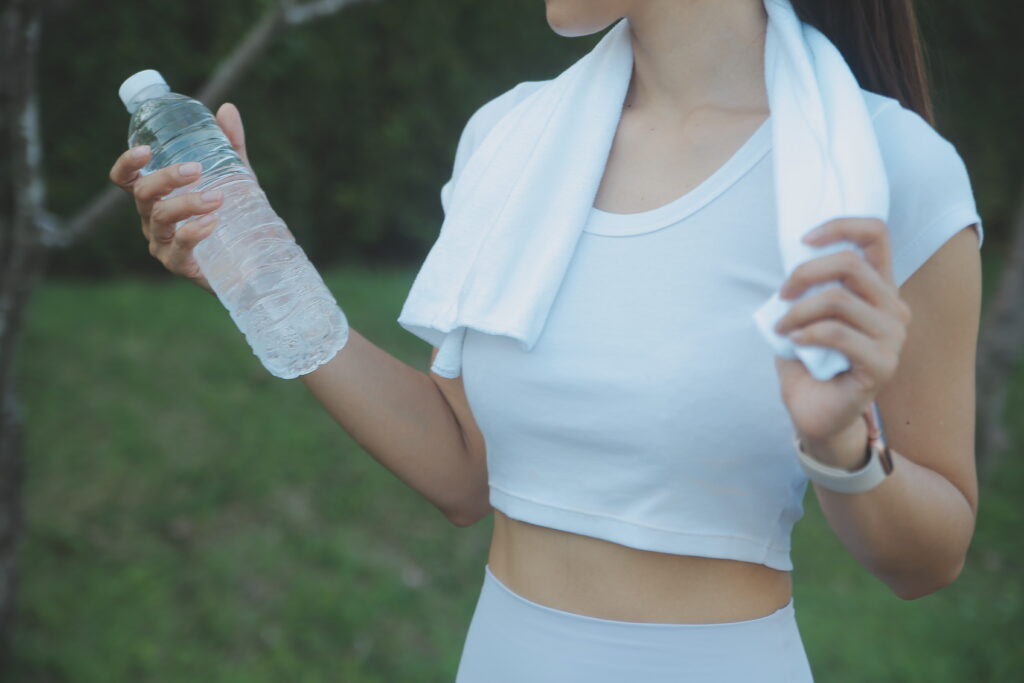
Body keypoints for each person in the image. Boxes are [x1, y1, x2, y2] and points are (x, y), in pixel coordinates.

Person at [108, 0, 983, 680]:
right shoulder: (512, 139)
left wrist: (839, 446)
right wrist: (258, 271)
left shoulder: (883, 169)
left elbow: (930, 559)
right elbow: (463, 470)